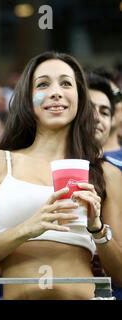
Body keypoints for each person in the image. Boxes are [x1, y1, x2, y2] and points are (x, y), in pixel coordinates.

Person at [0, 51, 122, 299]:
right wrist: (30, 227)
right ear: (27, 99)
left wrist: (97, 229)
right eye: (42, 84)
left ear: (80, 98)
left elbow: (120, 275)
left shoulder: (105, 172)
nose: (56, 92)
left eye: (65, 83)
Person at [86, 71, 122, 300]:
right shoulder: (27, 164)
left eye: (105, 111)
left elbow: (119, 271)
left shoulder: (111, 173)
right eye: (89, 109)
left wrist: (97, 231)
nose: (97, 118)